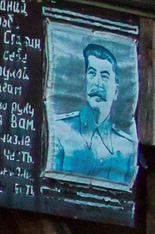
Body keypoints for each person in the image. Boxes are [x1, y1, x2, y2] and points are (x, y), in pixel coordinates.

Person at [47, 38, 136, 185]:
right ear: (85, 82)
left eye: (105, 76)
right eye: (92, 73)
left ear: (116, 91)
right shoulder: (60, 131)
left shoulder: (126, 147)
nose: (97, 83)